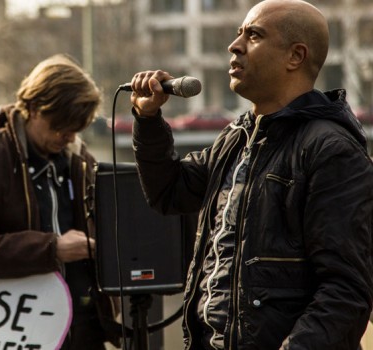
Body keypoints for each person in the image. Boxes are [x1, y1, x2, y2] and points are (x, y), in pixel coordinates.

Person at [127, 0, 373, 349]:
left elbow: (346, 290)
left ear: (295, 56)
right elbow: (170, 192)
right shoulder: (236, 137)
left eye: (253, 35)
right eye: (239, 32)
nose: (234, 45)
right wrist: (148, 120)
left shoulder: (331, 150)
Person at [0, 54, 120, 350]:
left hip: (83, 330)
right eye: (61, 127)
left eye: (76, 129)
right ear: (33, 108)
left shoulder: (82, 161)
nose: (68, 137)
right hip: (14, 331)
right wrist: (52, 249)